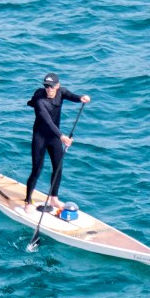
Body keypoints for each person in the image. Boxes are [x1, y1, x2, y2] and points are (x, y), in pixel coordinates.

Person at [24, 72, 91, 213]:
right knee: (37, 170)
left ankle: (54, 198)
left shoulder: (62, 92)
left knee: (58, 167)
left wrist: (81, 98)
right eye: (46, 86)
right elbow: (47, 121)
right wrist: (62, 136)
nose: (48, 89)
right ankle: (28, 201)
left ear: (57, 86)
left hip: (54, 138)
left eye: (51, 86)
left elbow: (72, 96)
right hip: (40, 138)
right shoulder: (39, 101)